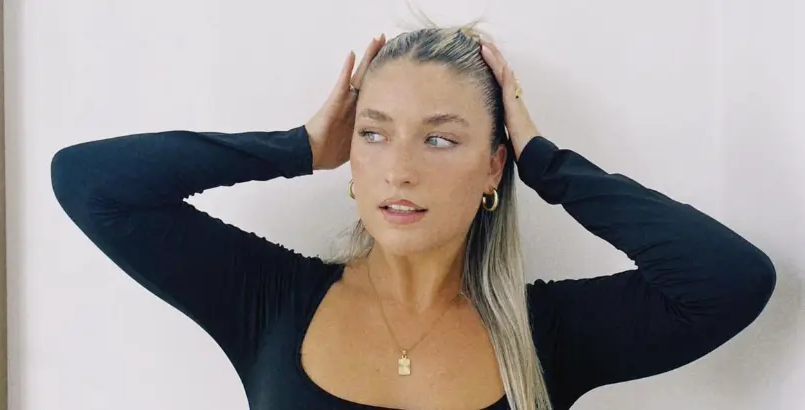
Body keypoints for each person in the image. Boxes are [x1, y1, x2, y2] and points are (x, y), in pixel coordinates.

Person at [50, 27, 776, 410]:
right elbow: (90, 183)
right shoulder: (269, 300)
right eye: (373, 132)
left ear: (492, 167)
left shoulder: (547, 335)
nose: (398, 168)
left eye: (439, 139)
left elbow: (731, 279)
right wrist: (299, 147)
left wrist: (544, 161)